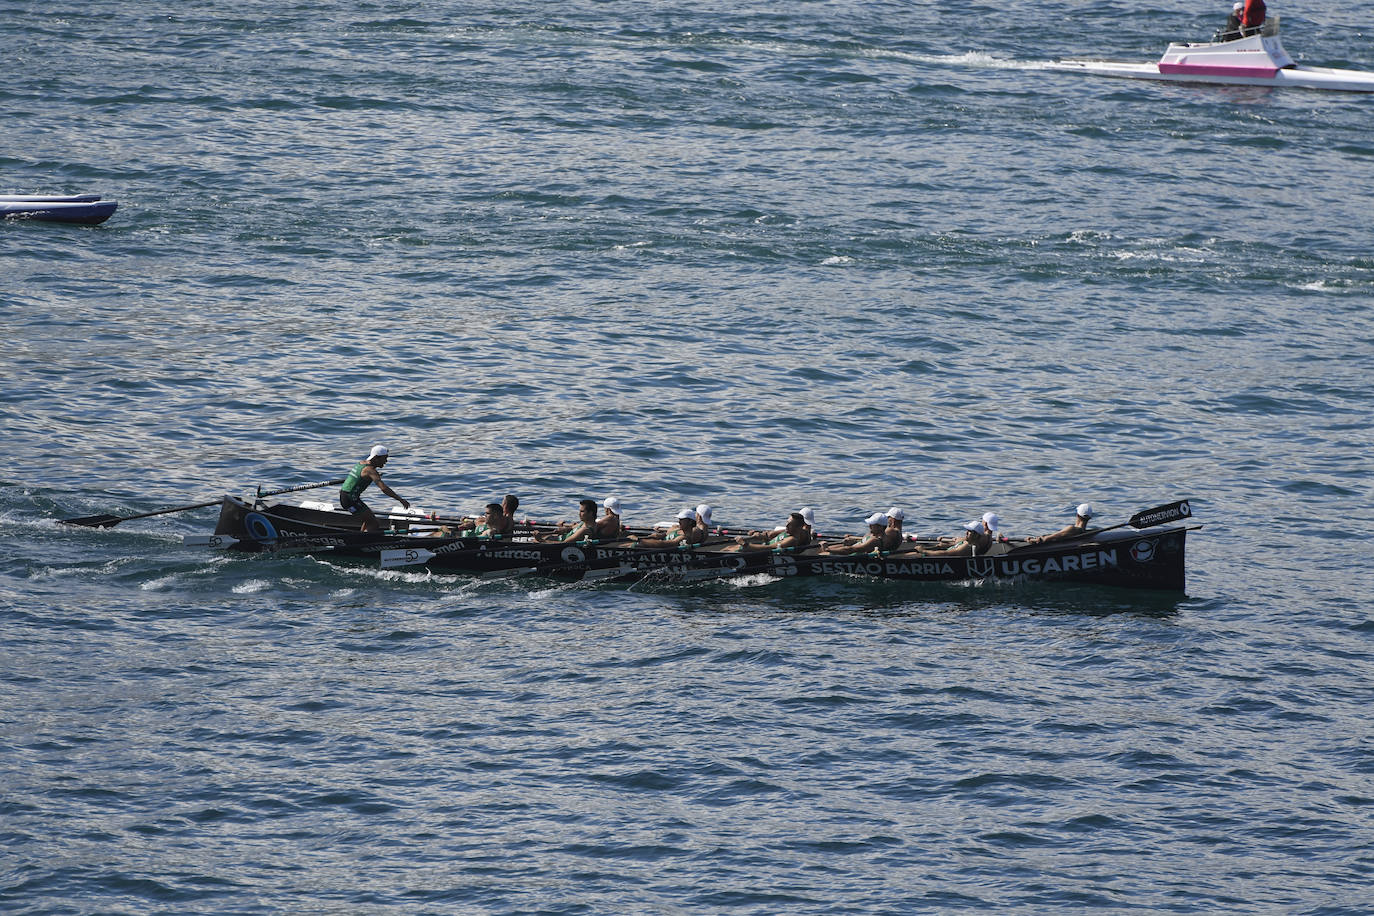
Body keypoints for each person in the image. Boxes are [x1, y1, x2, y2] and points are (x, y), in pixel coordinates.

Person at [339, 445, 410, 533]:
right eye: (385, 458)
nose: (386, 461)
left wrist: (375, 476)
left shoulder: (361, 463)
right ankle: (362, 543)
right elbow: (384, 489)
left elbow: (360, 476)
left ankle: (360, 538)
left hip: (345, 495)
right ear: (376, 458)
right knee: (374, 523)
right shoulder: (370, 471)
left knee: (369, 520)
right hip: (350, 500)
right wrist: (400, 499)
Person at [734, 512, 812, 552]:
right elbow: (770, 536)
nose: (786, 526)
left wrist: (744, 544)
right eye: (787, 522)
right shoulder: (789, 531)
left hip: (757, 552)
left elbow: (769, 548)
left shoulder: (792, 539)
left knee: (729, 549)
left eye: (790, 525)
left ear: (798, 527)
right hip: (758, 546)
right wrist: (761, 536)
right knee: (730, 548)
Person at [1025, 503, 1096, 545]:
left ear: (1077, 515)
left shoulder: (1072, 529)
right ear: (1090, 518)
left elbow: (1045, 539)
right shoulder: (1086, 533)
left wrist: (1030, 539)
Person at [632, 509, 707, 548]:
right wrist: (659, 535)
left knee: (634, 545)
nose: (679, 521)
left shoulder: (685, 538)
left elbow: (664, 544)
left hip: (657, 549)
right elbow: (663, 536)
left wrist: (640, 540)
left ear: (690, 522)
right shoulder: (678, 529)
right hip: (650, 545)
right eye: (679, 519)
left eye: (682, 520)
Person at [915, 520, 993, 557]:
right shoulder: (969, 542)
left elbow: (945, 554)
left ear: (976, 535)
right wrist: (945, 545)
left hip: (935, 558)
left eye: (969, 531)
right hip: (940, 553)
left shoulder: (967, 547)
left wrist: (924, 551)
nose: (966, 533)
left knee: (909, 556)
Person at [821, 512, 888, 556]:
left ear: (880, 527)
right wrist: (853, 539)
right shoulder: (874, 534)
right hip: (854, 552)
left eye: (872, 524)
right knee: (823, 550)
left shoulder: (875, 540)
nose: (869, 526)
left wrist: (827, 549)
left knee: (822, 554)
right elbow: (863, 540)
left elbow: (850, 550)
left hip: (851, 556)